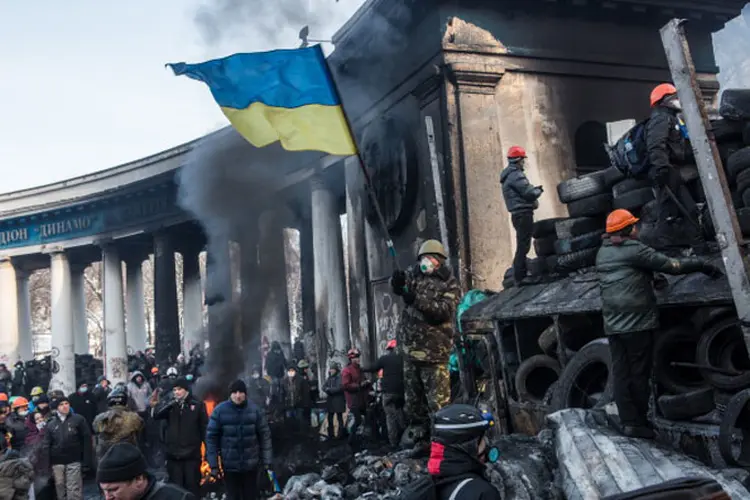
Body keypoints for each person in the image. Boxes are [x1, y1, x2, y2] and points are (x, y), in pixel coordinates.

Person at [596, 209, 723, 438]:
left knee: (621, 374)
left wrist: (653, 279)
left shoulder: (603, 253)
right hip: (637, 324)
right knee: (639, 374)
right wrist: (704, 265)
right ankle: (640, 423)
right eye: (633, 226)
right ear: (626, 230)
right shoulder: (635, 250)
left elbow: (632, 272)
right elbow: (672, 265)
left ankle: (629, 421)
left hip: (613, 325)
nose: (637, 228)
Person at [391, 240, 460, 438]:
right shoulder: (414, 275)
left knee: (439, 406)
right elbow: (402, 287)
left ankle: (442, 442)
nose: (426, 262)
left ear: (439, 261)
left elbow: (443, 311)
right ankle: (420, 440)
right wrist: (396, 283)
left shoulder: (449, 283)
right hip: (411, 352)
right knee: (413, 405)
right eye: (423, 258)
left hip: (434, 354)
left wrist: (416, 300)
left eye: (430, 258)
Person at [645, 83, 700, 247]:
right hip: (667, 171)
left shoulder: (671, 118)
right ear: (664, 101)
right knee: (672, 212)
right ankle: (668, 251)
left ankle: (697, 246)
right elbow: (655, 145)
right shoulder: (660, 119)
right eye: (674, 97)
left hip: (672, 170)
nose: (678, 100)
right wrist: (662, 168)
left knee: (680, 211)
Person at [206, 379, 273, 500]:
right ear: (230, 394)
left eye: (241, 392)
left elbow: (265, 435)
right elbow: (211, 439)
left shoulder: (255, 410)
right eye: (235, 392)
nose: (238, 395)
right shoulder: (219, 411)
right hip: (230, 467)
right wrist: (214, 465)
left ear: (245, 393)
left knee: (251, 496)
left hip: (251, 466)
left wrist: (267, 461)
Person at [428, 404, 501, 500]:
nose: (487, 445)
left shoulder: (426, 487)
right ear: (469, 446)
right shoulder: (483, 493)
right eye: (483, 439)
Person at [151, 377, 206, 497]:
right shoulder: (170, 404)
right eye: (174, 390)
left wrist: (207, 452)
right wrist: (165, 404)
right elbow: (156, 415)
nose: (176, 392)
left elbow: (204, 429)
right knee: (176, 491)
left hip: (191, 456)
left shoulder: (197, 405)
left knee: (192, 489)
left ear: (186, 390)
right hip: (173, 456)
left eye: (179, 389)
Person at [500, 146, 543, 284]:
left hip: (518, 214)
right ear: (518, 160)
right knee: (523, 245)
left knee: (522, 244)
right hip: (523, 213)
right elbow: (528, 192)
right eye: (523, 160)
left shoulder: (509, 175)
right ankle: (520, 276)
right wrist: (538, 191)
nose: (523, 163)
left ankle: (520, 274)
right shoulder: (516, 175)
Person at [98, 442, 195, 500]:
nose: (108, 498)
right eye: (104, 491)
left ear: (139, 479)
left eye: (114, 490)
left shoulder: (179, 498)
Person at [44, 397, 92, 500]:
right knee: (60, 487)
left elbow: (86, 440)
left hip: (74, 459)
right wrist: (47, 464)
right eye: (61, 404)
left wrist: (86, 461)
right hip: (57, 461)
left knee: (73, 488)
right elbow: (47, 444)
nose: (65, 406)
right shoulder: (51, 424)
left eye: (66, 403)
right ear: (56, 407)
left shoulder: (78, 419)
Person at [364, 339, 405, 447]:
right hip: (400, 391)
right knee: (400, 413)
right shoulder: (402, 358)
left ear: (389, 349)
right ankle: (405, 437)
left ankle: (393, 442)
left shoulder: (385, 359)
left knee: (390, 417)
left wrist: (360, 369)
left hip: (388, 392)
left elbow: (372, 368)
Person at [93, 387, 144, 462]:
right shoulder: (134, 417)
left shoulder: (101, 418)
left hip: (107, 458)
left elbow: (96, 430)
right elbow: (140, 428)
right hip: (128, 456)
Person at [322, 362, 346, 440]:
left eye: (332, 369)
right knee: (330, 418)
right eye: (330, 369)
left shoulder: (340, 377)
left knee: (339, 418)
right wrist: (327, 389)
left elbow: (339, 388)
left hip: (338, 401)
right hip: (331, 401)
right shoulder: (329, 378)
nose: (331, 371)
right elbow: (323, 387)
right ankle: (331, 434)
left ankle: (341, 434)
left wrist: (329, 390)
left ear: (336, 370)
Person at [282, 365, 309, 434]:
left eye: (292, 371)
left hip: (299, 403)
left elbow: (305, 392)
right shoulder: (284, 381)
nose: (291, 372)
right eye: (289, 371)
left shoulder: (300, 380)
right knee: (290, 419)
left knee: (300, 419)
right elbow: (282, 393)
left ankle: (301, 435)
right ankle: (291, 435)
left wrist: (305, 403)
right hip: (288, 404)